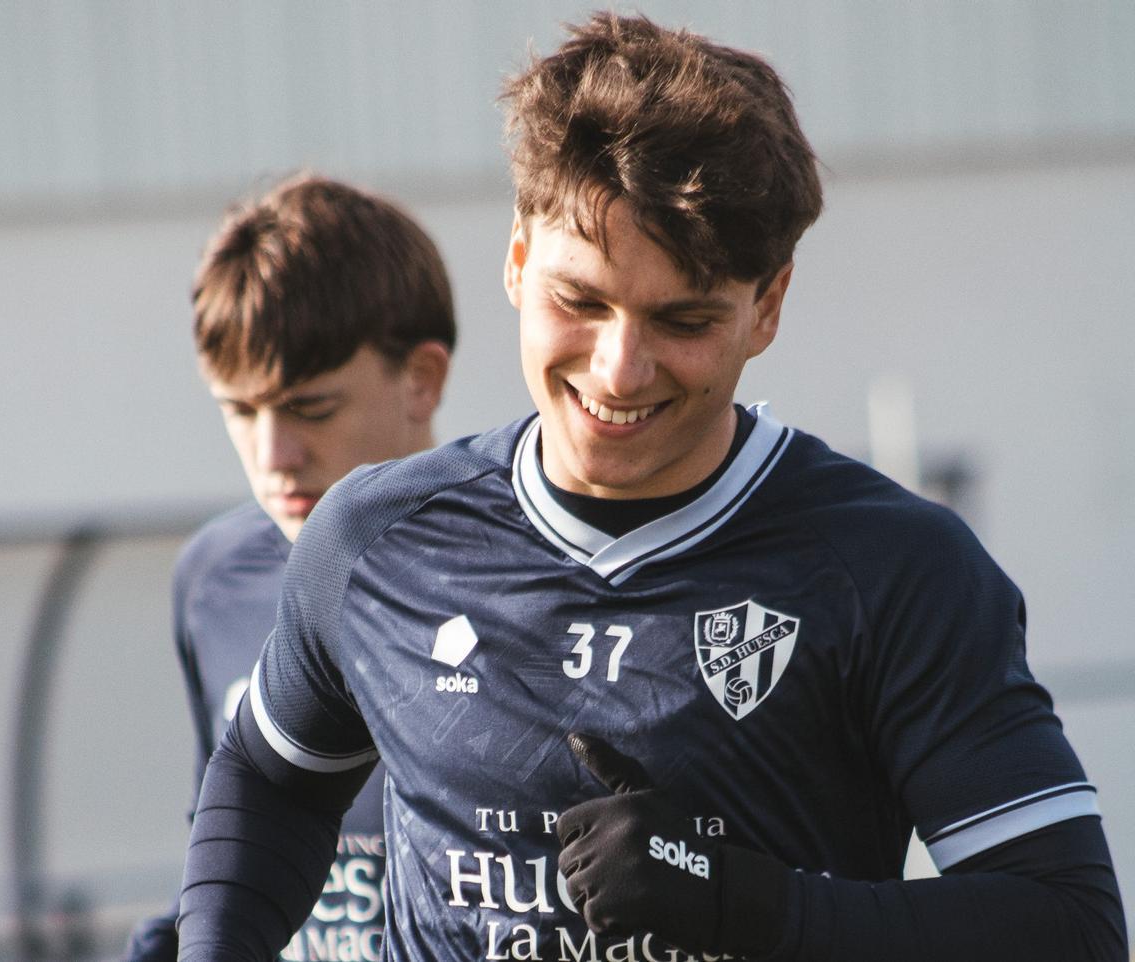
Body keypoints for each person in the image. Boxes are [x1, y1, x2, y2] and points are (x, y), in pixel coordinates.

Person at [175, 15, 1127, 962]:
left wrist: (750, 906)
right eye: (579, 302)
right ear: (516, 260)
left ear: (770, 305)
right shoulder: (376, 538)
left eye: (683, 317)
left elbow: (1069, 926)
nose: (620, 370)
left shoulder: (891, 570)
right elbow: (269, 779)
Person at [122, 173, 455, 962]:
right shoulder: (214, 580)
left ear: (422, 379)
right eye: (240, 411)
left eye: (311, 408)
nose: (273, 456)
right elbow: (234, 849)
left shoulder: (526, 576)